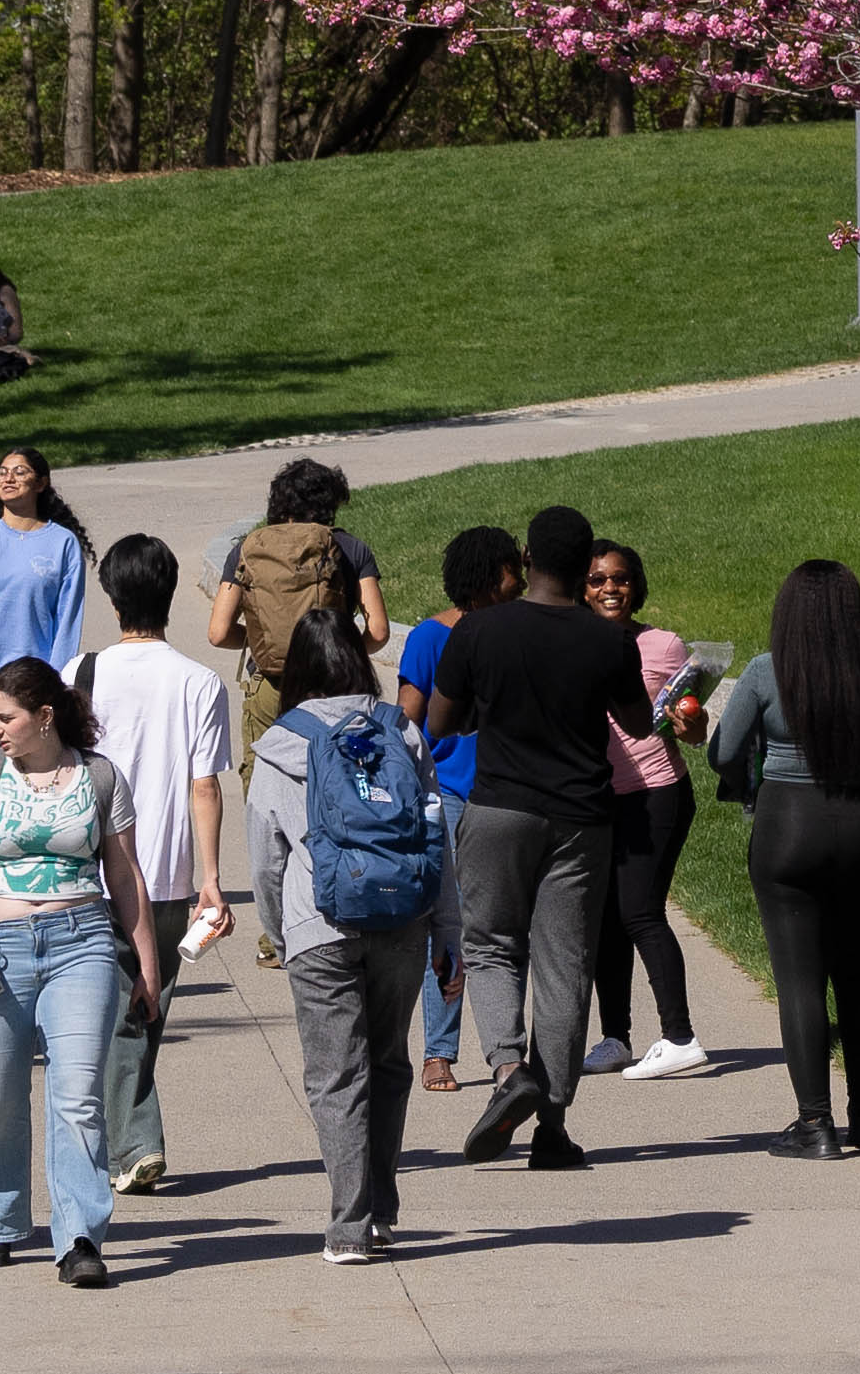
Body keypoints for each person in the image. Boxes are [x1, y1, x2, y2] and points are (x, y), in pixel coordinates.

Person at [421, 501, 656, 1169]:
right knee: (564, 965)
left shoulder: (481, 630)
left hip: (497, 808)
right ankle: (551, 1128)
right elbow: (637, 725)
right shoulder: (606, 639)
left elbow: (440, 719)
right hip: (581, 817)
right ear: (586, 568)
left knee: (490, 942)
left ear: (526, 559)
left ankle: (506, 1071)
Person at [0, 656, 158, 1288]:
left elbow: (125, 877)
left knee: (78, 1096)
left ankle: (80, 1236)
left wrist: (147, 966)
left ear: (45, 717)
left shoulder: (100, 777)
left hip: (80, 944)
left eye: (6, 718)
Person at [684, 555, 860, 1159]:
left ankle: (814, 1123)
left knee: (800, 981)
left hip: (787, 827)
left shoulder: (766, 672)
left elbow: (722, 752)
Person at [249, 607, 441, 1264]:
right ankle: (380, 1212)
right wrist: (445, 922)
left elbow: (266, 854)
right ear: (360, 659)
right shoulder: (401, 730)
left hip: (318, 922)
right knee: (386, 1061)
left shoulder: (282, 742)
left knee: (337, 1075)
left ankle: (348, 1226)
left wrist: (278, 931)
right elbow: (432, 828)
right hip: (401, 918)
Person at [82, 534, 235, 1195]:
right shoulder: (200, 682)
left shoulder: (79, 674)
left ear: (112, 596)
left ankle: (129, 1145)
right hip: (168, 868)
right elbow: (206, 784)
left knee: (123, 1008)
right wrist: (209, 877)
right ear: (170, 594)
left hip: (91, 866)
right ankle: (131, 1143)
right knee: (142, 1005)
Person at [390, 524, 516, 1092]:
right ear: (490, 578)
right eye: (512, 568)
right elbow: (405, 722)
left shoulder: (519, 632)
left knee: (502, 929)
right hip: (452, 798)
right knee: (453, 925)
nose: (520, 578)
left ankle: (508, 1045)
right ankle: (440, 1050)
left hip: (512, 795)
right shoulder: (429, 638)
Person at [580, 539, 708, 1080]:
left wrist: (693, 726)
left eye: (621, 578)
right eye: (597, 579)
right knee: (607, 919)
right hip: (598, 797)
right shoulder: (572, 642)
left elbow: (695, 732)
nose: (610, 588)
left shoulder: (663, 645)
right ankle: (615, 1038)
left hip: (657, 793)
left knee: (639, 911)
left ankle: (680, 1036)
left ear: (637, 585)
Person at [207, 456, 391, 738]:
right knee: (335, 774)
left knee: (265, 778)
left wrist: (264, 638)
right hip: (334, 688)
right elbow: (378, 632)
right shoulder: (352, 549)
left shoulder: (248, 549)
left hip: (270, 686)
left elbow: (219, 633)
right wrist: (340, 651)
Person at [0, 445, 94, 678]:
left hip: (32, 676)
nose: (8, 479)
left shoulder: (63, 543)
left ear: (41, 484)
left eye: (20, 472)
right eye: (2, 473)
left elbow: (68, 619)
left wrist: (55, 678)